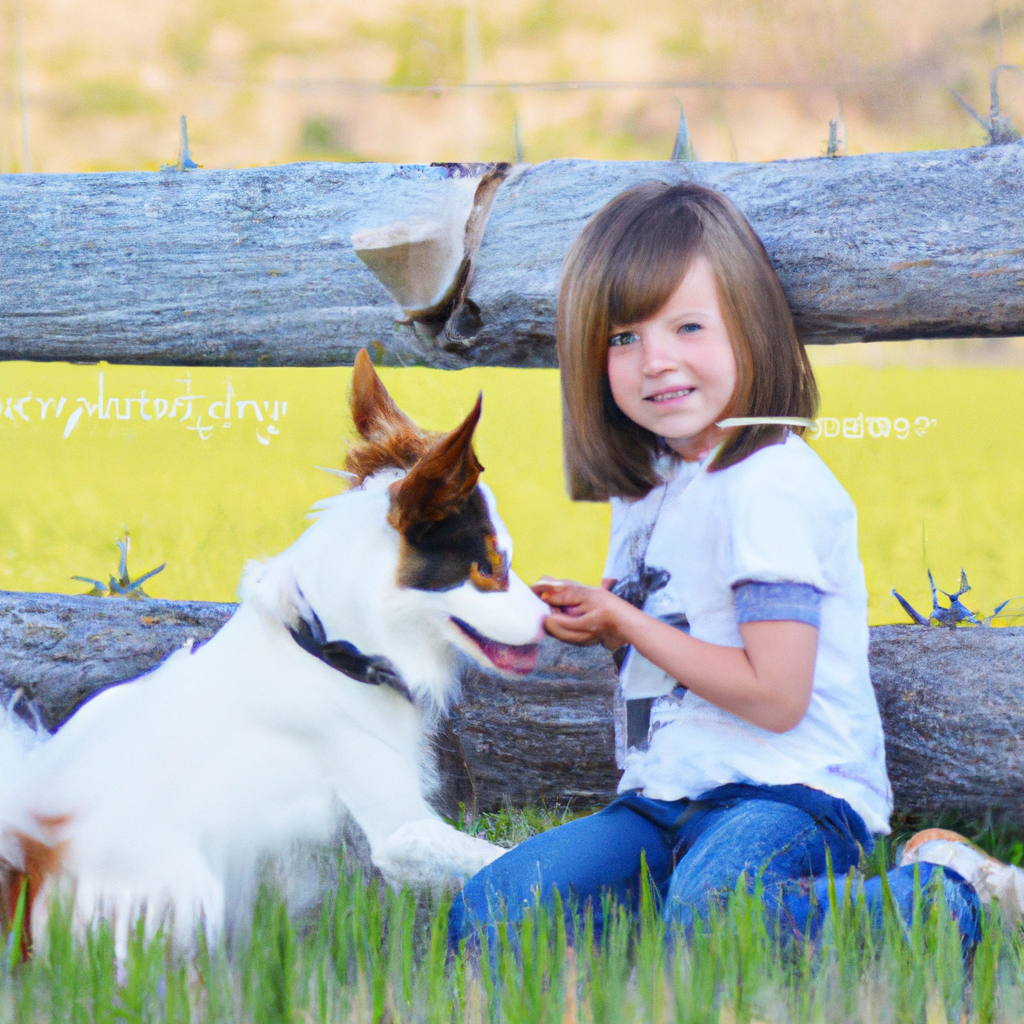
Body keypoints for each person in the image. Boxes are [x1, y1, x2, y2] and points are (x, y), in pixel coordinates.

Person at [448, 181, 991, 948]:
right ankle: (671, 931)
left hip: (792, 796)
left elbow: (775, 695)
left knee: (714, 922)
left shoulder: (769, 482)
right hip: (663, 800)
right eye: (622, 338)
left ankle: (942, 898)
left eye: (688, 326)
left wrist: (627, 619)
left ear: (749, 325)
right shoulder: (649, 488)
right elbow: (675, 650)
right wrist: (605, 628)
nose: (655, 361)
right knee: (492, 912)